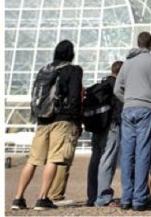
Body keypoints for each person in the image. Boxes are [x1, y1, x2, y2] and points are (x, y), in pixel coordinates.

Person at [11, 40, 83, 211]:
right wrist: (77, 121)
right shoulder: (73, 70)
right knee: (54, 158)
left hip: (42, 119)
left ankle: (18, 198)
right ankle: (43, 198)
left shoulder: (45, 70)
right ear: (71, 54)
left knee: (33, 160)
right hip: (62, 119)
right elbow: (74, 98)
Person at [115, 32, 151, 211]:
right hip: (146, 107)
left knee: (127, 153)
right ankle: (140, 198)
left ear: (138, 42)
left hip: (128, 108)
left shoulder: (127, 62)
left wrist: (127, 99)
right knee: (143, 152)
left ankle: (126, 198)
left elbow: (116, 89)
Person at [91, 61, 126, 207]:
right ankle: (103, 196)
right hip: (111, 126)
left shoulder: (102, 84)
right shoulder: (117, 86)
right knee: (107, 160)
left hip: (97, 126)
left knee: (96, 160)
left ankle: (92, 195)